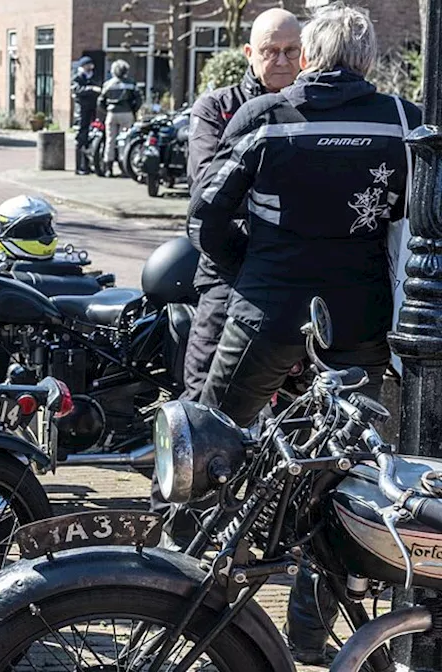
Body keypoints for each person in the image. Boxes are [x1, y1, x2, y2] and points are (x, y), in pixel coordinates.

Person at [188, 6, 420, 663]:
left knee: (211, 439)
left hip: (269, 306)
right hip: (357, 316)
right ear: (369, 61)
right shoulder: (402, 121)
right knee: (340, 472)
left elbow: (206, 213)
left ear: (310, 57)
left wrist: (252, 271)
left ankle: (182, 595)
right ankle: (312, 632)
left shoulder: (267, 116)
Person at [183, 8, 302, 402]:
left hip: (294, 268)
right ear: (250, 52)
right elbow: (206, 192)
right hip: (228, 267)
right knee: (205, 388)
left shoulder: (310, 110)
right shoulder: (216, 107)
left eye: (291, 50)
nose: (281, 61)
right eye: (271, 50)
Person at [96, 59, 141, 177]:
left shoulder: (108, 84)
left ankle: (108, 168)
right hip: (126, 113)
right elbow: (138, 99)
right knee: (124, 141)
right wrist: (133, 110)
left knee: (110, 140)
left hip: (111, 114)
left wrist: (107, 110)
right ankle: (124, 167)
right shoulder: (131, 83)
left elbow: (100, 101)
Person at [70, 57, 99, 175]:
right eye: (88, 65)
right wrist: (91, 89)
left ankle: (87, 165)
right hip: (81, 112)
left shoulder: (93, 76)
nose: (91, 67)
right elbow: (77, 89)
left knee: (90, 138)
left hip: (92, 110)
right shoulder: (77, 77)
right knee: (81, 138)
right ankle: (78, 167)